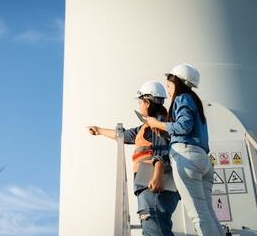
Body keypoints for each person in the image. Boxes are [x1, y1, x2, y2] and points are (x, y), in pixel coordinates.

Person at [87, 81, 180, 236]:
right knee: (152, 226)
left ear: (147, 102)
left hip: (154, 183)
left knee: (154, 227)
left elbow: (160, 150)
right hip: (149, 184)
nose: (139, 106)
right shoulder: (146, 127)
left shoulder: (158, 123)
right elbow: (124, 135)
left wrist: (157, 177)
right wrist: (99, 130)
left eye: (140, 102)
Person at [143, 64, 225, 236]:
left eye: (169, 87)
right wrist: (167, 135)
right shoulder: (194, 100)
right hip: (203, 160)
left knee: (199, 215)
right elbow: (188, 132)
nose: (168, 93)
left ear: (177, 82)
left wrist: (157, 123)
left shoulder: (182, 98)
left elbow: (184, 127)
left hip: (187, 160)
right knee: (208, 213)